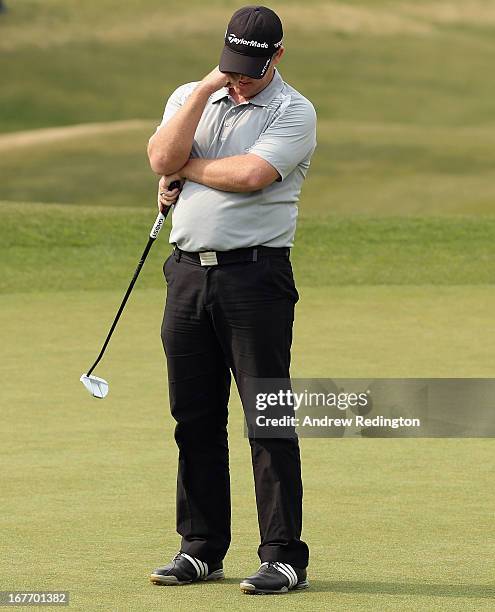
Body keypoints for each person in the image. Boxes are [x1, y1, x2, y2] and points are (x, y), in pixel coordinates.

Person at [147, 5, 317, 595]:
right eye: (232, 67)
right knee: (192, 417)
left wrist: (187, 168)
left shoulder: (295, 111)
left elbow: (251, 175)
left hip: (256, 277)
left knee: (266, 419)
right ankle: (200, 547)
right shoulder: (193, 95)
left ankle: (283, 556)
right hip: (188, 276)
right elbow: (158, 158)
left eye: (250, 69)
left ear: (277, 57)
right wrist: (206, 88)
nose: (240, 79)